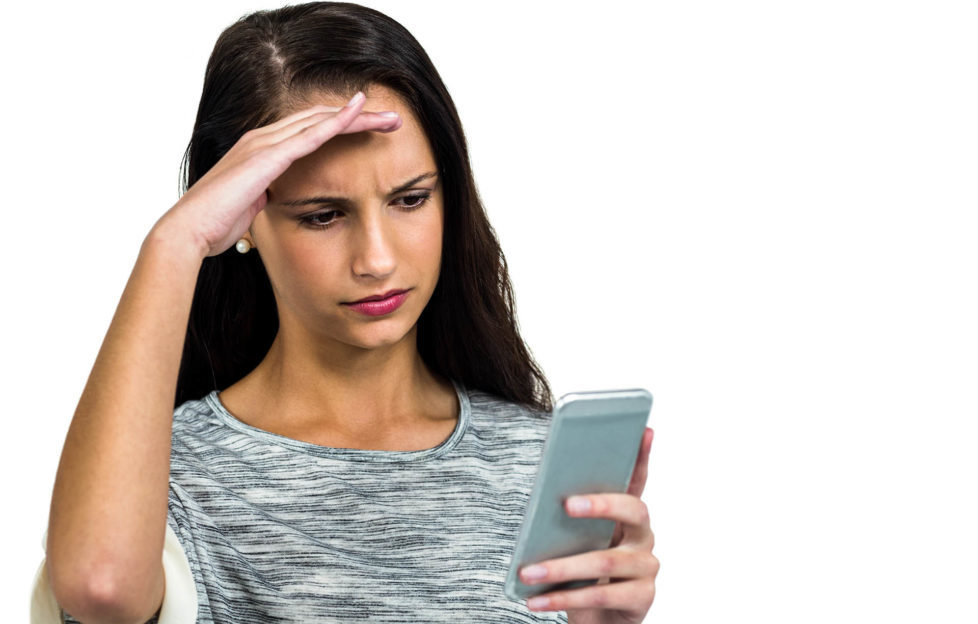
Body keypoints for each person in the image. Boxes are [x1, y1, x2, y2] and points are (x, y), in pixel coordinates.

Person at [31, 2, 659, 622]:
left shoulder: (536, 462)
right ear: (241, 217)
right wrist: (175, 244)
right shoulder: (163, 477)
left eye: (410, 199)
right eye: (323, 215)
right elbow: (101, 588)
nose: (378, 260)